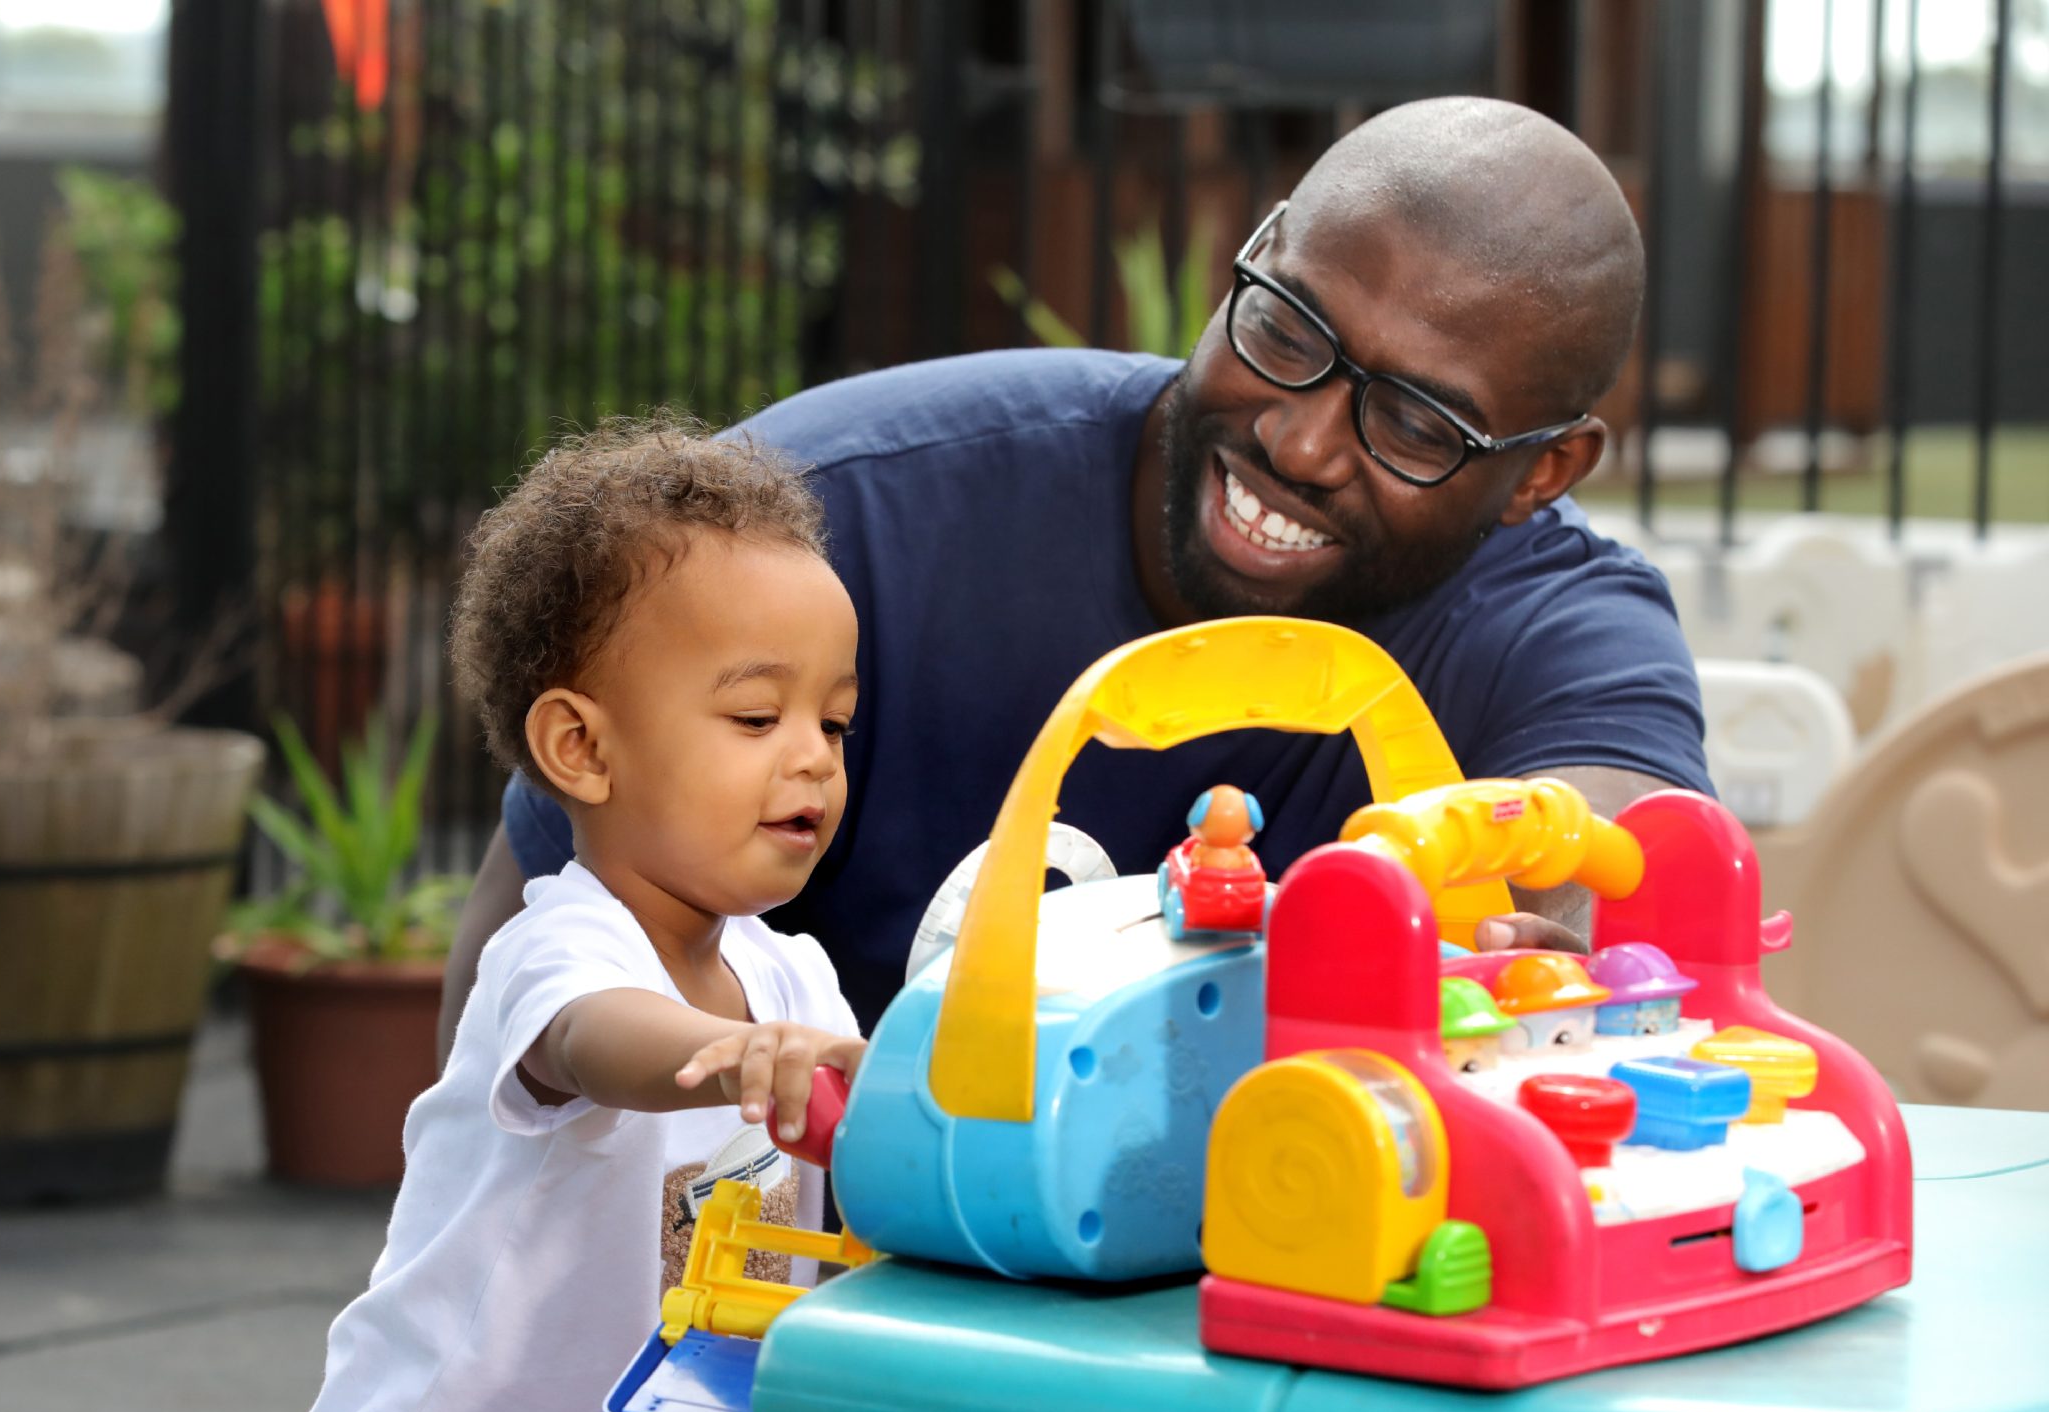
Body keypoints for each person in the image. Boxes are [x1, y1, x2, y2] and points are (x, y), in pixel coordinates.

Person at [444, 97, 1712, 1048]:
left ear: (1543, 474)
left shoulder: (1555, 624)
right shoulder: (834, 520)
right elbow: (522, 980)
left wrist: (1557, 925)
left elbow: (1626, 868)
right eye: (1290, 327)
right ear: (1253, 249)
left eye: (1419, 425)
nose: (1299, 439)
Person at [246, 419, 865, 1412]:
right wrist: (733, 1053)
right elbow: (604, 1043)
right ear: (580, 747)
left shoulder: (794, 978)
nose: (810, 753)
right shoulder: (559, 946)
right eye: (756, 713)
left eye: (836, 720)